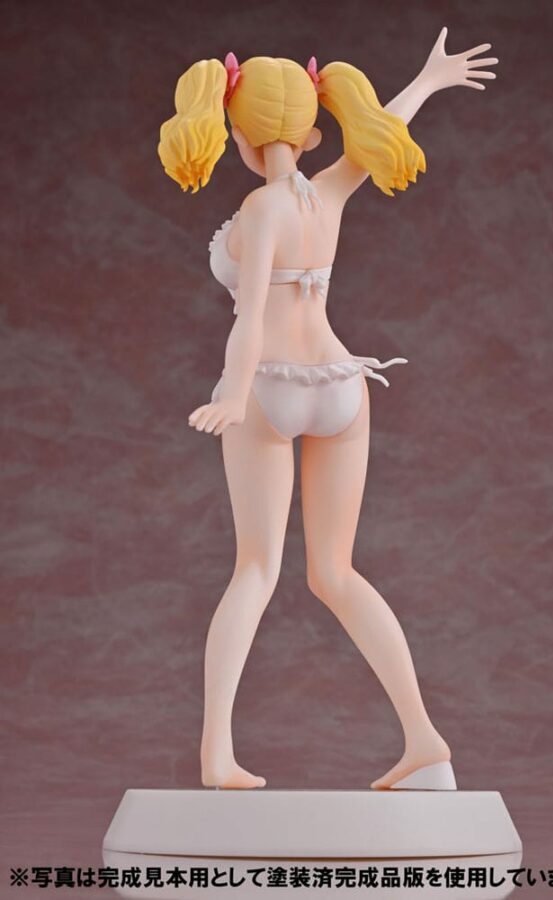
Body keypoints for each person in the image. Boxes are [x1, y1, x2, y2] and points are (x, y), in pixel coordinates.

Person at [158, 28, 498, 790]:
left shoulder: (260, 209)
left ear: (239, 133)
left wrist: (233, 390)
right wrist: (426, 81)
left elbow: (251, 317)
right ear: (312, 131)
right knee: (336, 571)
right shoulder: (331, 188)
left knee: (256, 569)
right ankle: (425, 741)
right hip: (343, 385)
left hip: (272, 385)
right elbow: (382, 132)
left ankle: (217, 753)